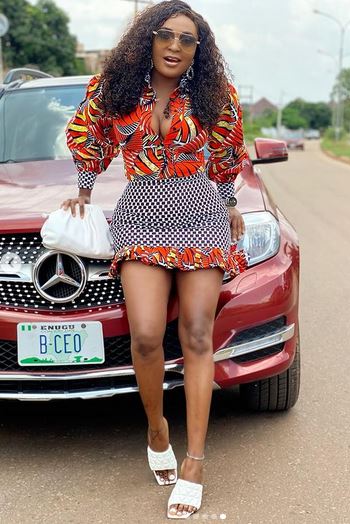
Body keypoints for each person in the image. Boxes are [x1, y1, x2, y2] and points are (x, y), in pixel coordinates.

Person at [61, 0, 249, 519]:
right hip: (140, 214)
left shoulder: (216, 94)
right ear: (148, 38)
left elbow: (228, 153)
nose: (174, 46)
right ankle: (156, 428)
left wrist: (229, 202)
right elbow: (89, 134)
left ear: (198, 50)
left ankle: (195, 461)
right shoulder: (116, 88)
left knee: (197, 334)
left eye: (187, 39)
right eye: (166, 34)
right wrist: (84, 188)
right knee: (145, 335)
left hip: (201, 215)